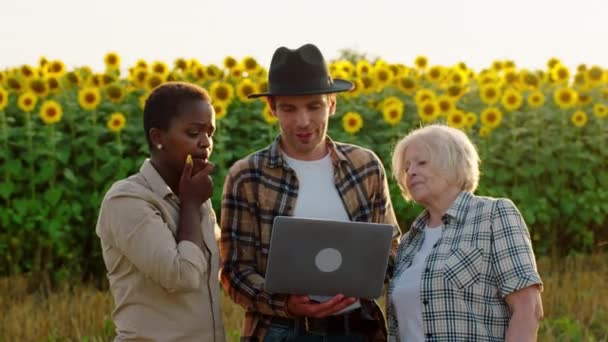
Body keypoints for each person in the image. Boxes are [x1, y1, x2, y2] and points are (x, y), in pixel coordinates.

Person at [220, 43, 401, 341]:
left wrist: (368, 274)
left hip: (357, 328)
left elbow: (392, 244)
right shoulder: (247, 176)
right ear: (272, 108)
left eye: (314, 106)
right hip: (281, 330)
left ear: (332, 103)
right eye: (289, 108)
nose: (302, 121)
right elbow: (234, 273)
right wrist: (286, 304)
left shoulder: (365, 166)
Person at [387, 124, 544, 341]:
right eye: (406, 168)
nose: (411, 172)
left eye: (421, 162)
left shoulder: (493, 214)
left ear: (452, 163)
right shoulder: (407, 243)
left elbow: (528, 308)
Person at [96, 82, 225, 341]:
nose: (205, 143)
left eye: (210, 133)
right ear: (158, 138)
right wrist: (191, 204)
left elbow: (216, 268)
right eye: (193, 132)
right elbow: (183, 276)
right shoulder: (126, 200)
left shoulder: (193, 193)